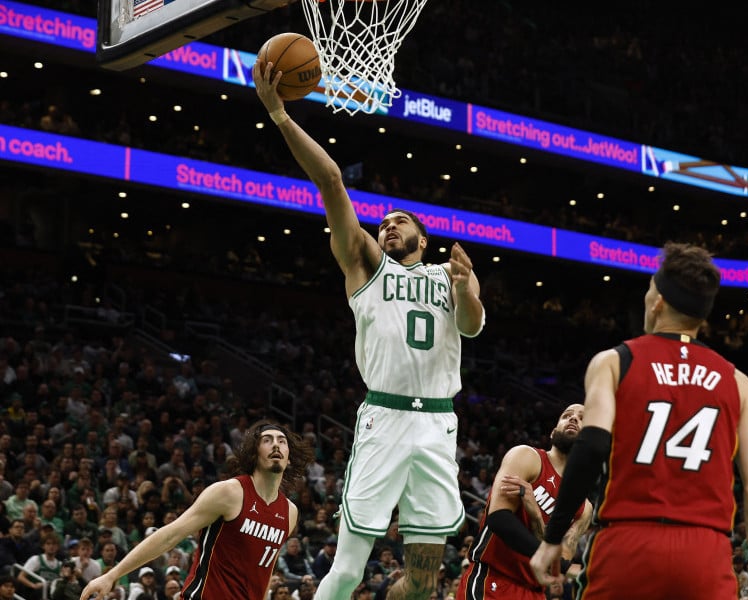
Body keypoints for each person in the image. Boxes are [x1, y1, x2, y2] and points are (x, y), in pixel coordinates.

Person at [253, 54, 485, 600]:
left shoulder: (448, 272)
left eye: (399, 221)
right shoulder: (365, 266)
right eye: (383, 223)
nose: (387, 225)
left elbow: (472, 327)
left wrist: (468, 287)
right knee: (349, 567)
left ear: (422, 239)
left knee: (427, 579)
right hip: (385, 417)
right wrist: (281, 115)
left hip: (439, 426)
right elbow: (332, 179)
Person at [529, 242, 748, 600]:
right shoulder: (739, 383)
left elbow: (592, 444)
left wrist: (553, 538)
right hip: (706, 552)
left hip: (628, 543)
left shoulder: (613, 362)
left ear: (657, 301)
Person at [80, 421, 313, 600]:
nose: (276, 445)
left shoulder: (289, 513)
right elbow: (169, 535)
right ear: (254, 453)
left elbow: (264, 570)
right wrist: (112, 575)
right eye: (267, 440)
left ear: (289, 458)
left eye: (282, 441)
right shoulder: (229, 493)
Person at [456, 404, 592, 600]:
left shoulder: (584, 508)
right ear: (553, 432)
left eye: (582, 418)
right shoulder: (527, 457)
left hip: (534, 593)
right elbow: (499, 519)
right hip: (493, 579)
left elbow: (556, 566)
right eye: (567, 415)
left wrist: (536, 516)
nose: (573, 419)